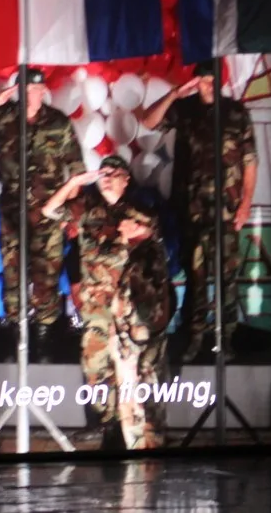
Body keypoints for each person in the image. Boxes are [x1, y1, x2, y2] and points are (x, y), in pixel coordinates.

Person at [42, 156, 169, 450]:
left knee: (135, 373)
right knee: (96, 370)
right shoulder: (86, 208)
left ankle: (136, 434)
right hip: (96, 308)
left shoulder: (141, 214)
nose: (107, 178)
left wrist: (139, 234)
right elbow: (49, 210)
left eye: (114, 173)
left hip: (128, 310)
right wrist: (74, 182)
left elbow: (157, 254)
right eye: (104, 173)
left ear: (127, 179)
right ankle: (109, 427)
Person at [0, 68, 85, 362]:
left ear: (44, 92)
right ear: (18, 92)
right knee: (13, 275)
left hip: (48, 214)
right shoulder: (3, 117)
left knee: (46, 276)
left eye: (37, 90)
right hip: (12, 214)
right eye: (27, 90)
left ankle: (44, 338)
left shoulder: (58, 123)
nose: (32, 95)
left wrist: (71, 215)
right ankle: (18, 334)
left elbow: (76, 171)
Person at [138, 59, 258, 362]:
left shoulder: (236, 113)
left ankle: (225, 337)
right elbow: (148, 122)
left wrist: (246, 203)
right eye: (202, 80)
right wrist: (174, 94)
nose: (207, 85)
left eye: (212, 80)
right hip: (192, 210)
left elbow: (249, 161)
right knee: (195, 276)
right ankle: (194, 337)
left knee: (227, 276)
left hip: (227, 210)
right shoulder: (184, 109)